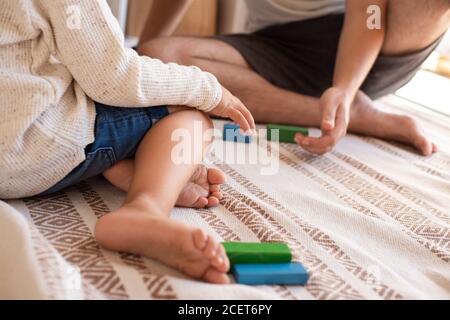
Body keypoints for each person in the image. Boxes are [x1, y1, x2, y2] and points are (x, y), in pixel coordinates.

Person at [0, 0, 257, 284]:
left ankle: (127, 165)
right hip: (23, 147)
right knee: (190, 116)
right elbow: (113, 77)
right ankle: (145, 208)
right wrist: (211, 91)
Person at [140, 0, 450, 156]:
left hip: (368, 44)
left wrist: (344, 86)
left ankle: (345, 100)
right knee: (161, 54)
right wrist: (142, 61)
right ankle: (356, 115)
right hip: (275, 47)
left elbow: (368, 14)